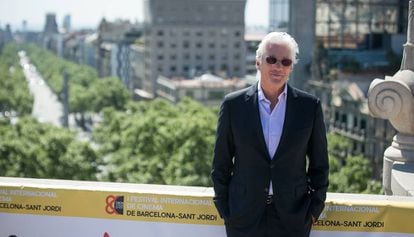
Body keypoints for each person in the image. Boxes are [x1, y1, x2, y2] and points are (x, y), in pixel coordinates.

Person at [211, 32, 329, 237]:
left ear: (291, 67)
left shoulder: (309, 107)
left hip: (293, 218)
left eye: (285, 61)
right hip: (243, 217)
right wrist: (225, 209)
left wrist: (313, 210)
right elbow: (221, 162)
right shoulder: (233, 105)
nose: (278, 66)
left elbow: (320, 165)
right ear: (258, 62)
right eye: (271, 59)